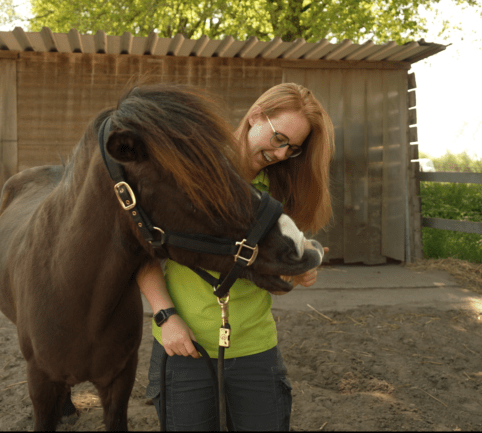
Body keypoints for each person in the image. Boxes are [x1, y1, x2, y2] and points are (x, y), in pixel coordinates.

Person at [139, 82, 335, 431]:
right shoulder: (188, 169)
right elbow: (142, 251)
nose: (281, 154)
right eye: (279, 139)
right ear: (256, 116)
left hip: (256, 349)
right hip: (184, 345)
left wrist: (297, 271)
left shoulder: (278, 189)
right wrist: (165, 317)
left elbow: (274, 270)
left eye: (292, 149)